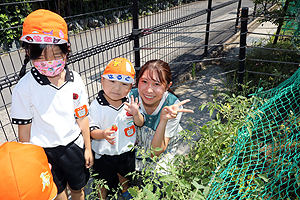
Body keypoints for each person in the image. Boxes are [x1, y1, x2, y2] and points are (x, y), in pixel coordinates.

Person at [10, 9, 93, 200]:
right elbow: (24, 132)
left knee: (78, 189)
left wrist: (87, 148)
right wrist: (30, 161)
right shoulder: (24, 88)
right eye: (40, 57)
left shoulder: (76, 80)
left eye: (56, 54)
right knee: (55, 192)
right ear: (28, 52)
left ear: (67, 50)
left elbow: (82, 117)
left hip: (73, 146)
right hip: (43, 152)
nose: (48, 62)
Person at [89, 57, 144, 199]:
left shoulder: (130, 102)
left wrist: (136, 113)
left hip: (126, 150)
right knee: (102, 180)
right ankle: (102, 197)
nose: (117, 88)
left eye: (124, 84)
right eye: (112, 81)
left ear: (131, 87)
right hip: (104, 154)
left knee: (124, 174)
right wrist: (102, 133)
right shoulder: (96, 105)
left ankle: (125, 190)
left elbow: (140, 122)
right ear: (102, 81)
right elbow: (91, 130)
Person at [129, 59, 194, 172]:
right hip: (137, 148)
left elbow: (156, 152)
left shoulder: (173, 106)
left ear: (167, 86)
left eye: (157, 84)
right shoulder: (130, 97)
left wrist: (163, 119)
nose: (149, 90)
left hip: (161, 149)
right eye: (144, 81)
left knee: (158, 179)